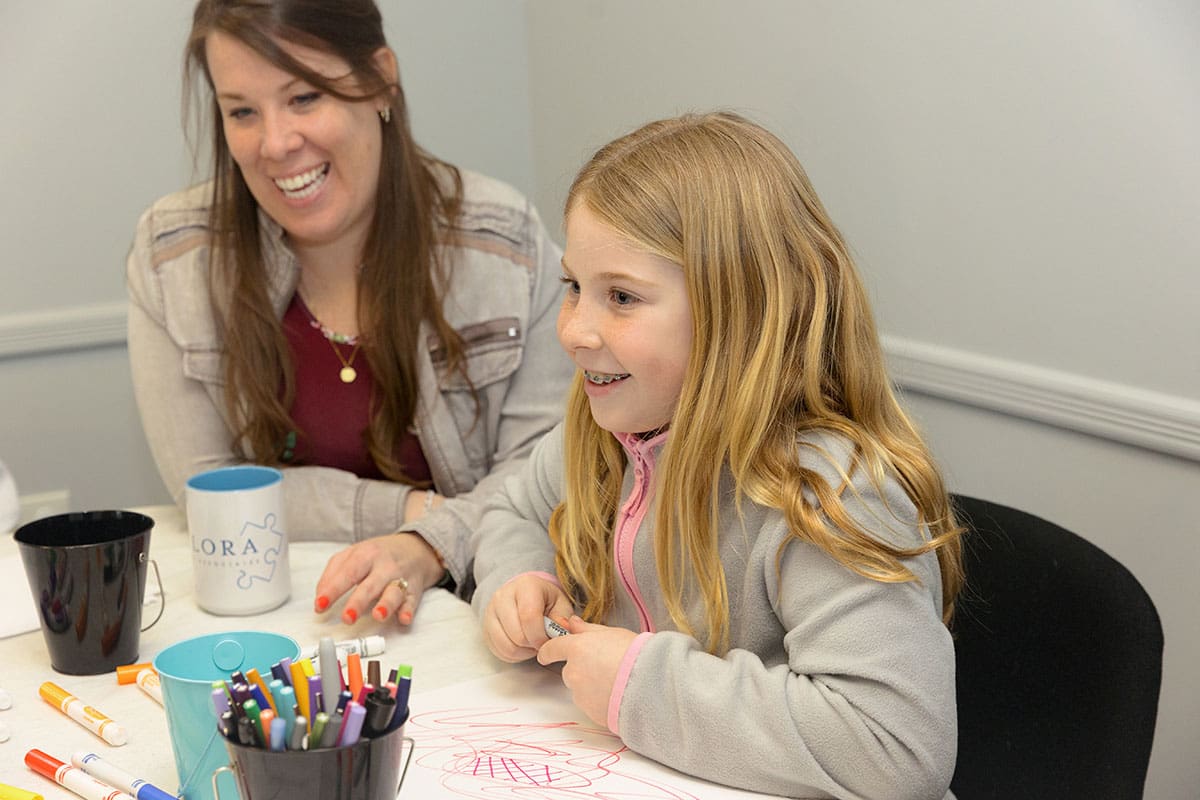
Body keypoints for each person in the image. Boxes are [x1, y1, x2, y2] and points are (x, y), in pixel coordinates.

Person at [473, 112, 966, 799]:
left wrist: (639, 686)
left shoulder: (827, 488)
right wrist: (516, 579)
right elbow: (511, 507)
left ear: (739, 316)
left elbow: (893, 745)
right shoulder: (601, 433)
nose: (575, 330)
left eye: (620, 296)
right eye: (572, 286)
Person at [127, 0, 571, 627]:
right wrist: (412, 510)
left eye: (305, 97)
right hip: (263, 628)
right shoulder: (174, 255)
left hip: (469, 627)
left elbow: (545, 472)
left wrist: (429, 544)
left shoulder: (504, 243)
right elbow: (210, 492)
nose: (276, 144)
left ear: (380, 79)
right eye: (242, 112)